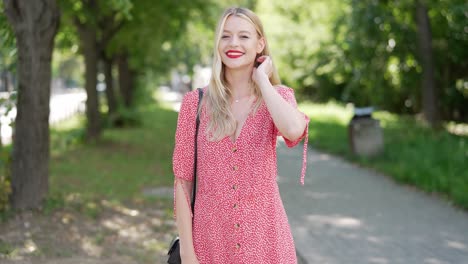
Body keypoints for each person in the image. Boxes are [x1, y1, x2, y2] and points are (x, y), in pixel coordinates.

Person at [172, 6, 309, 264]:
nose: (233, 43)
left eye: (244, 36)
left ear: (260, 44)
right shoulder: (195, 104)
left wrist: (263, 81)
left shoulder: (277, 97)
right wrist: (188, 254)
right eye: (225, 36)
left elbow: (293, 130)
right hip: (210, 241)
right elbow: (182, 182)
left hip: (265, 241)